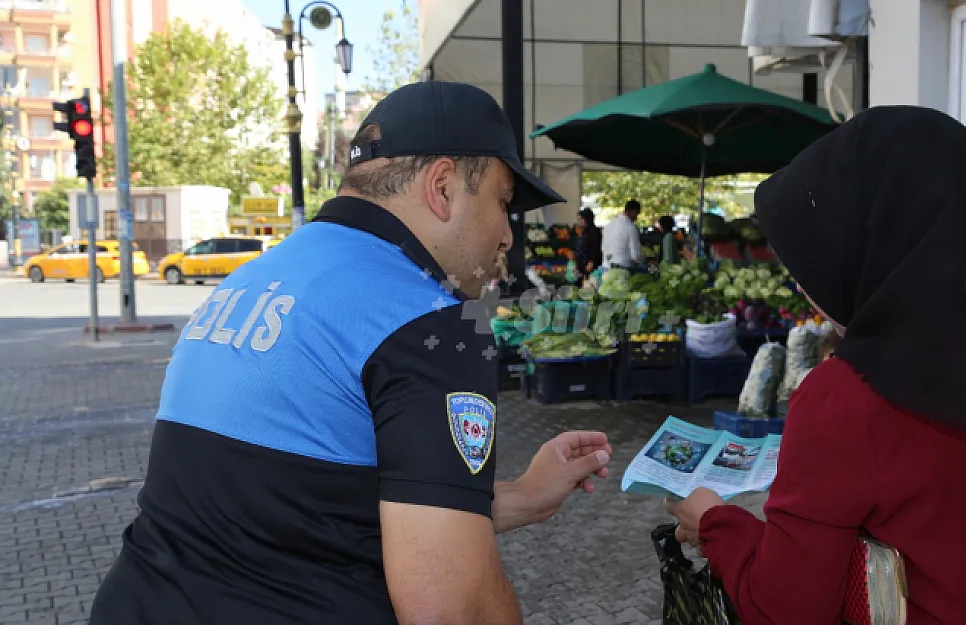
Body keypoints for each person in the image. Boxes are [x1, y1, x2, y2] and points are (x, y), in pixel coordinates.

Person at [89, 81, 613, 625]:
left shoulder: (251, 281)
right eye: (503, 203)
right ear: (443, 187)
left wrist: (527, 495)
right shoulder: (428, 320)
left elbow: (314, 511)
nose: (507, 235)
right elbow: (454, 609)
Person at [666, 106, 966, 624]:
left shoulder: (848, 395)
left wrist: (716, 524)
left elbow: (783, 609)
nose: (805, 286)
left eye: (810, 261)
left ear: (865, 249)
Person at [601, 199, 645, 269]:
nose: (636, 217)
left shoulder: (609, 225)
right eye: (637, 214)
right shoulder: (630, 227)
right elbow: (636, 256)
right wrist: (644, 261)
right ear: (634, 211)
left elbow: (603, 248)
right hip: (623, 268)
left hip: (606, 266)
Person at [574, 208, 602, 286]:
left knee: (589, 286)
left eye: (581, 219)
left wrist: (591, 261)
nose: (580, 222)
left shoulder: (594, 232)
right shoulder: (584, 232)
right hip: (582, 265)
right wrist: (577, 265)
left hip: (590, 266)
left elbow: (595, 248)